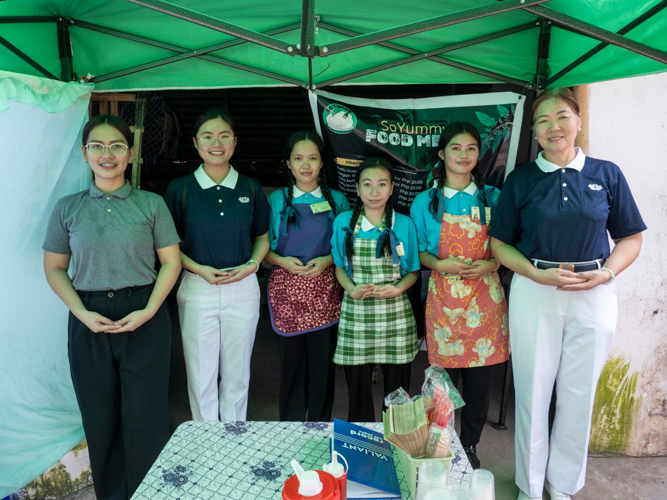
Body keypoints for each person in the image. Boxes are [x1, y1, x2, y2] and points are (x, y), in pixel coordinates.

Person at [489, 88, 646, 500]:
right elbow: (500, 243)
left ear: (578, 122)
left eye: (561, 116)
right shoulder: (521, 179)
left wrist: (608, 273)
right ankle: (530, 484)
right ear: (535, 132)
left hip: (593, 291)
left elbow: (631, 237)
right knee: (532, 391)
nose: (553, 126)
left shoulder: (606, 173)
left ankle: (562, 486)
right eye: (543, 120)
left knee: (578, 394)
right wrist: (534, 274)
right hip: (535, 289)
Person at [42, 115, 181, 499]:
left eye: (117, 146)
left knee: (145, 417)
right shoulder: (67, 208)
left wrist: (151, 309)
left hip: (144, 312)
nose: (108, 154)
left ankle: (148, 493)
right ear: (85, 153)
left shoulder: (150, 204)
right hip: (88, 317)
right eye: (98, 146)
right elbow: (54, 268)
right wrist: (81, 313)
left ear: (130, 152)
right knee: (100, 418)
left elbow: (171, 261)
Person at [410, 122, 509, 469]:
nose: (463, 155)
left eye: (470, 148)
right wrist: (439, 262)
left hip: (484, 301)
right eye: (455, 148)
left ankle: (470, 446)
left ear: (478, 155)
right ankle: (442, 442)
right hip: (444, 304)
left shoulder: (494, 197)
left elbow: (508, 247)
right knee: (443, 386)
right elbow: (418, 253)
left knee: (479, 386)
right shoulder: (426, 201)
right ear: (442, 153)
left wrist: (492, 264)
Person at [163, 108, 270, 422]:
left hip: (243, 286)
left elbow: (262, 237)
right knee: (201, 374)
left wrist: (252, 264)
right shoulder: (180, 189)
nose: (216, 143)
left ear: (234, 142)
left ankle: (234, 440)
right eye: (208, 137)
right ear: (196, 144)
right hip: (198, 289)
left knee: (237, 374)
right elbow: (168, 247)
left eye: (224, 136)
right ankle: (205, 442)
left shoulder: (250, 187)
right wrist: (197, 268)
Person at [264, 131, 350, 421]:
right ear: (288, 163)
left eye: (312, 158)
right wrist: (282, 261)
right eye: (298, 158)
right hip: (286, 291)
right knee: (291, 365)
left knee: (322, 366)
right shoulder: (275, 200)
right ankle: (289, 425)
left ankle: (320, 425)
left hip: (324, 291)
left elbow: (347, 248)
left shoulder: (337, 201)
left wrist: (327, 260)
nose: (305, 165)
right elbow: (261, 248)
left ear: (322, 163)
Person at [331, 157, 420, 422]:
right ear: (356, 188)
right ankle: (362, 443)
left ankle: (395, 445)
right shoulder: (344, 222)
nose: (374, 191)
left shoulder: (403, 224)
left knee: (397, 392)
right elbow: (338, 267)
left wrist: (397, 289)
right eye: (367, 184)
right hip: (357, 316)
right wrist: (351, 288)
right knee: (357, 390)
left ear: (392, 188)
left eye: (381, 184)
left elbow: (413, 270)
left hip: (395, 317)